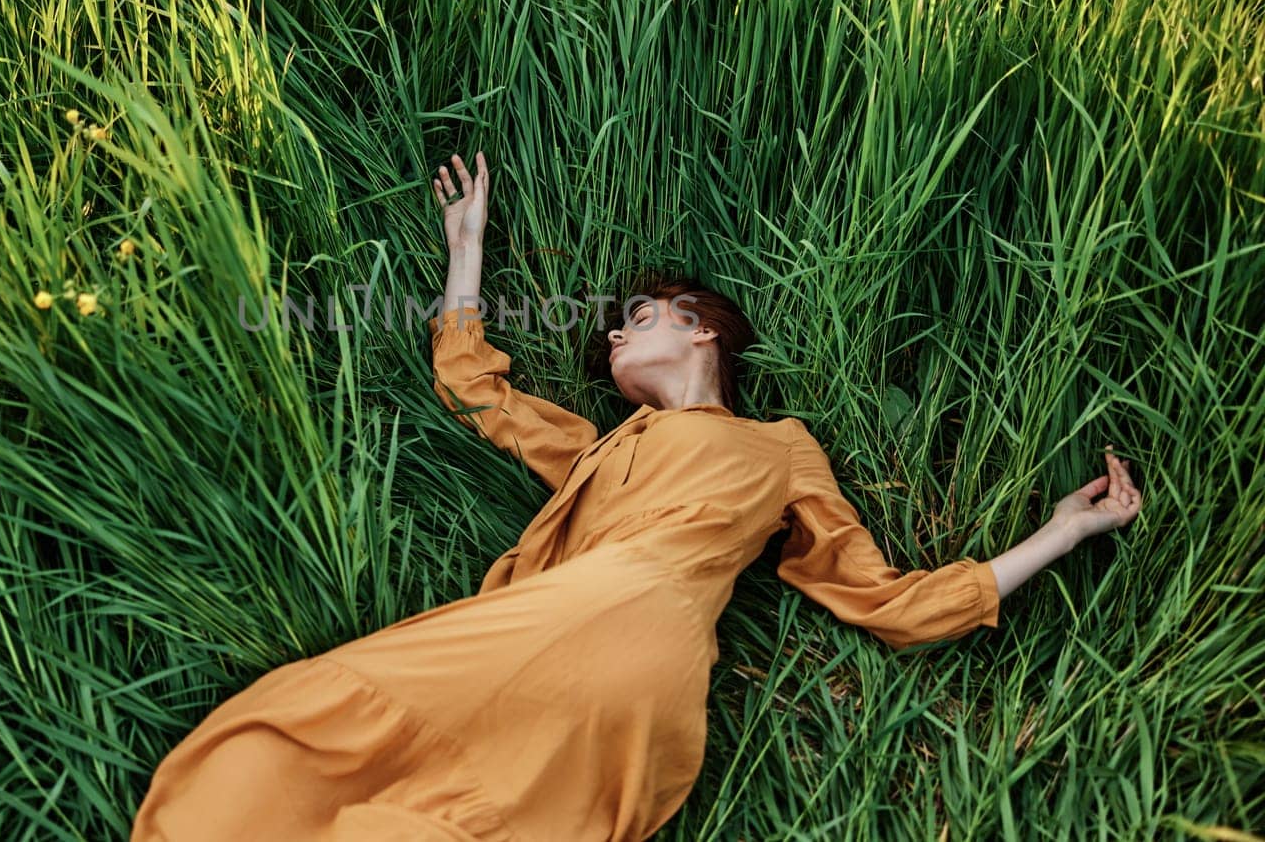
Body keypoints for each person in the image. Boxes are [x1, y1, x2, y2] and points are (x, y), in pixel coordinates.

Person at [129, 151, 1143, 841]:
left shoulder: (780, 446)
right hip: (588, 653)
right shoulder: (598, 451)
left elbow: (891, 603)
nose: (615, 334)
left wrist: (1060, 529)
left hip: (618, 628)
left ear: (705, 331)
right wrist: (465, 244)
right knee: (325, 773)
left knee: (304, 745)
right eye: (614, 327)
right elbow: (472, 381)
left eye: (641, 316)